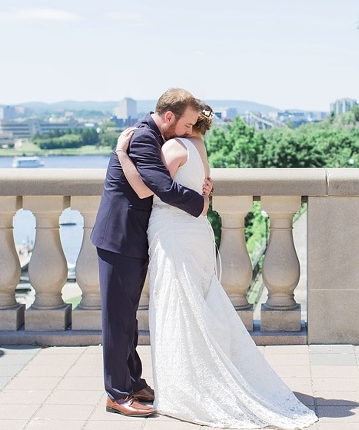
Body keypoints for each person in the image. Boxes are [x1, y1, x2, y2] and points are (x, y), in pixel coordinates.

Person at [114, 103, 318, 429]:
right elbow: (202, 187)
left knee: (176, 307)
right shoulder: (199, 147)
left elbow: (148, 190)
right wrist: (204, 197)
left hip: (173, 235)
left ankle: (183, 388)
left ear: (184, 122)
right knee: (198, 302)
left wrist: (122, 154)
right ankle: (199, 375)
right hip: (196, 233)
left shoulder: (172, 147)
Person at [90, 88, 212, 418]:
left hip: (134, 237)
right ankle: (116, 394)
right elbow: (159, 188)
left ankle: (132, 382)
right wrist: (200, 204)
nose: (189, 132)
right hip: (119, 238)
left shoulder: (156, 135)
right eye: (187, 125)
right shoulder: (144, 138)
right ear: (169, 117)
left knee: (127, 318)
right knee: (117, 320)